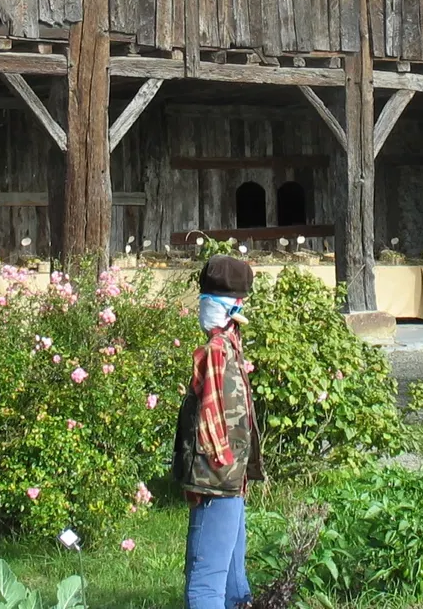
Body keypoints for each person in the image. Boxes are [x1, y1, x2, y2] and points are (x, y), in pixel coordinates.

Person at [173, 255, 261, 609]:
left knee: (204, 586)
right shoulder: (230, 348)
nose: (202, 308)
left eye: (207, 301)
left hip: (216, 481)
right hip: (232, 481)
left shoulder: (216, 353)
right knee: (233, 582)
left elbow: (212, 424)